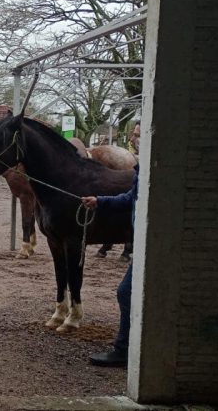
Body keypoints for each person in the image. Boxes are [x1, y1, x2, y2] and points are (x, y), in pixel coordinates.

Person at [80, 121, 141, 367]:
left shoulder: (155, 167)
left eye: (138, 135)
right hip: (144, 241)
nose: (135, 139)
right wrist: (100, 201)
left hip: (151, 244)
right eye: (134, 135)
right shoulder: (143, 169)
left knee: (126, 292)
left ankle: (124, 351)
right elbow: (130, 198)